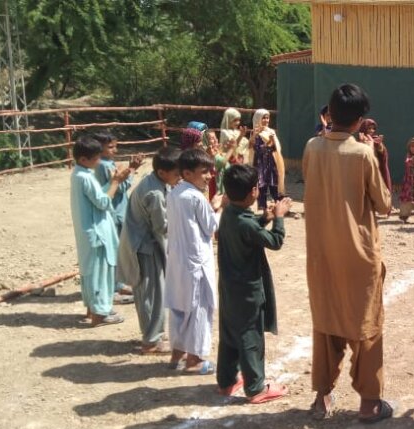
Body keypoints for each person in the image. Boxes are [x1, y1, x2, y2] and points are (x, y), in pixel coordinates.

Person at [302, 84, 394, 423]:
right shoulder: (362, 154)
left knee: (326, 323)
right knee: (366, 327)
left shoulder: (312, 147)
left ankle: (321, 396)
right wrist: (380, 156)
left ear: (329, 113)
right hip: (360, 255)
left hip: (322, 253)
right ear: (359, 121)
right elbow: (384, 204)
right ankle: (369, 402)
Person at [216, 164, 291, 403]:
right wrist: (278, 218)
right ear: (252, 192)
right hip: (248, 290)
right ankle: (256, 386)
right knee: (251, 336)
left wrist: (264, 218)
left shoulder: (229, 213)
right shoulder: (245, 222)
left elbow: (248, 231)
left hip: (229, 286)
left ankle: (227, 381)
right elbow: (275, 241)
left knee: (229, 333)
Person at [117, 147, 181, 354]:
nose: (179, 178)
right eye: (177, 174)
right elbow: (162, 227)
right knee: (151, 294)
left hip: (146, 245)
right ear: (163, 173)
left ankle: (153, 334)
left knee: (153, 292)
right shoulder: (155, 193)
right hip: (143, 248)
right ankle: (151, 341)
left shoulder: (156, 182)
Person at [166, 148, 222, 375]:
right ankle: (195, 360)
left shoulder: (173, 193)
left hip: (178, 261)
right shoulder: (196, 197)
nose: (209, 176)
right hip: (196, 262)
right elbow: (211, 227)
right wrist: (218, 208)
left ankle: (176, 355)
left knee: (179, 308)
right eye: (204, 172)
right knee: (200, 308)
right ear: (187, 173)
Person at [70, 136, 132, 327]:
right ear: (83, 159)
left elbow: (99, 197)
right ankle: (100, 313)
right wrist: (115, 182)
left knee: (91, 272)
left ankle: (94, 308)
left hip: (90, 232)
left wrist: (114, 181)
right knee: (100, 273)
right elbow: (104, 201)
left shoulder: (79, 174)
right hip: (97, 234)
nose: (98, 162)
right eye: (95, 158)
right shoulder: (85, 177)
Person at [92, 131, 141, 304]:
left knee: (119, 249)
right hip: (115, 212)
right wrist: (132, 169)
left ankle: (118, 283)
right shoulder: (105, 166)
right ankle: (112, 288)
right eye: (110, 147)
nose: (115, 149)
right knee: (115, 251)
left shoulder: (105, 164)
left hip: (117, 211)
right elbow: (120, 187)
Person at [251, 108, 285, 212]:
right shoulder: (255, 133)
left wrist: (272, 143)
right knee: (262, 186)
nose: (266, 120)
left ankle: (280, 206)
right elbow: (257, 149)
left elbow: (277, 148)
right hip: (260, 164)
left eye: (267, 118)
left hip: (272, 162)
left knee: (274, 184)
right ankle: (263, 209)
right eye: (263, 118)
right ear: (258, 119)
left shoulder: (271, 131)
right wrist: (268, 143)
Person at [358, 118, 391, 194]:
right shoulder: (359, 140)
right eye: (369, 128)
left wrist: (379, 146)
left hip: (375, 170)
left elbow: (383, 155)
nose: (371, 131)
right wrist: (363, 143)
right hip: (363, 172)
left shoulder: (376, 139)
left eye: (373, 129)